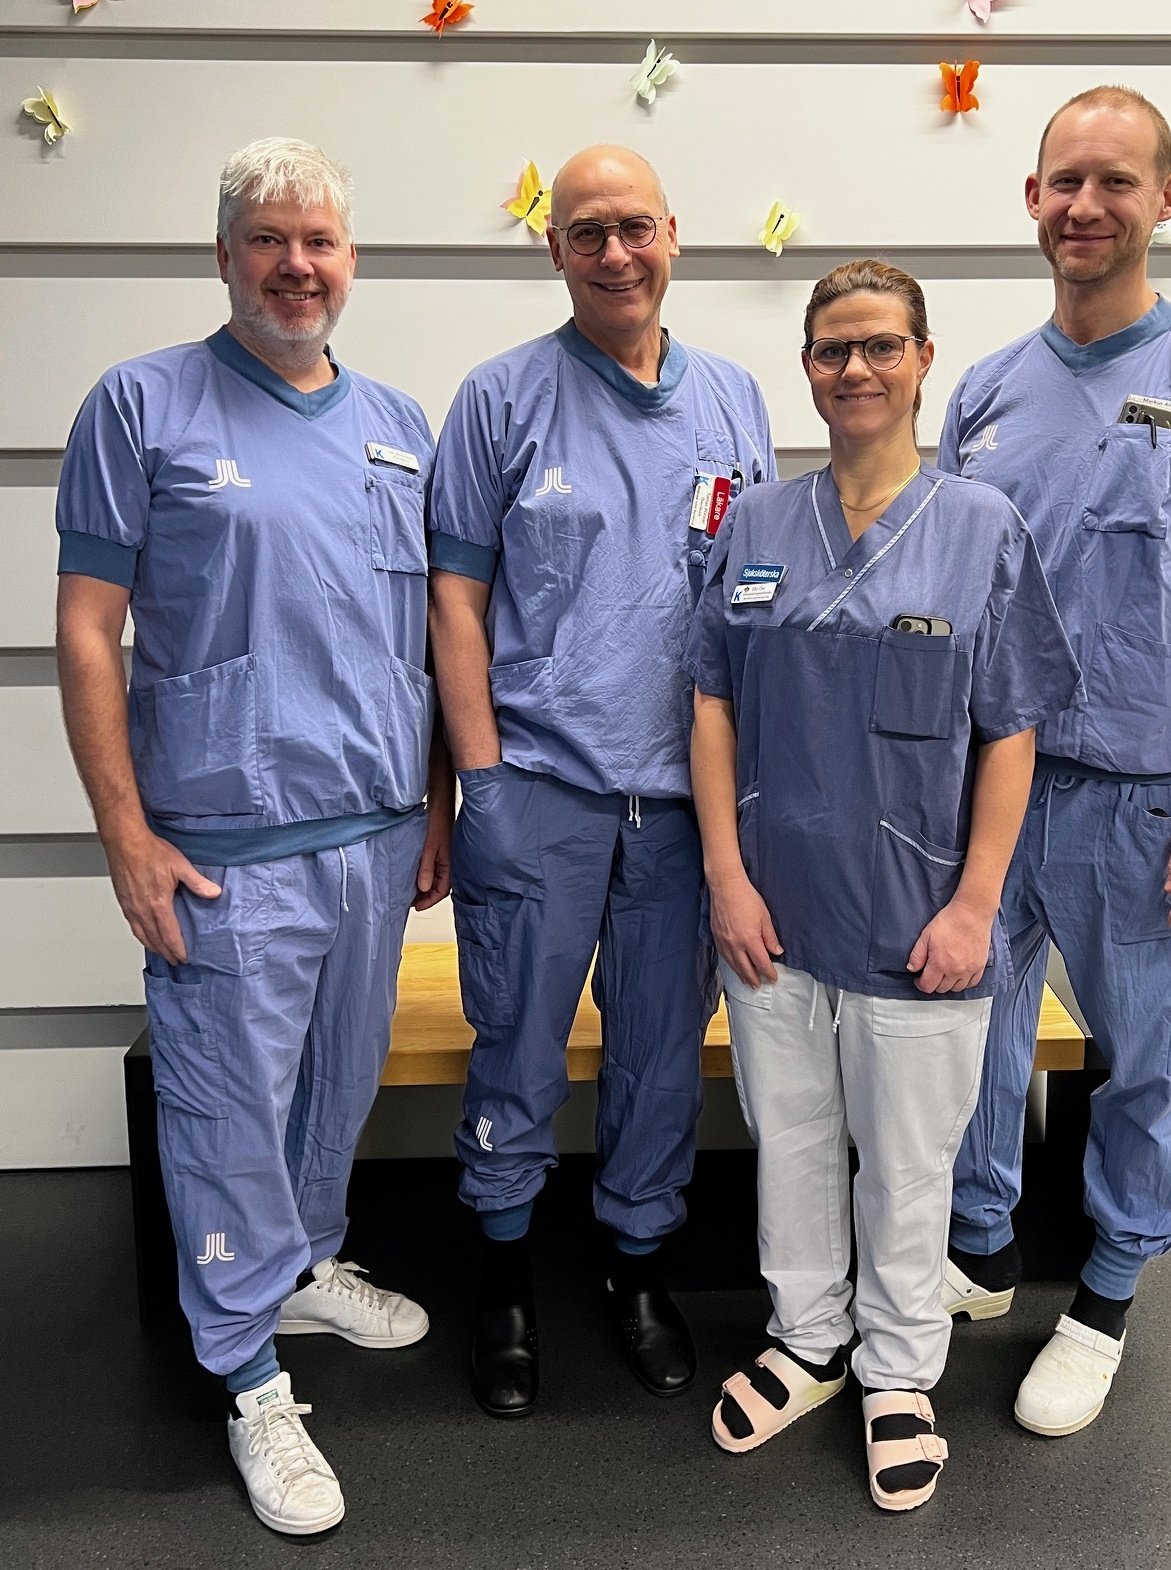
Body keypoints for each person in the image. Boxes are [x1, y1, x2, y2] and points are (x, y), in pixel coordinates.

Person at [55, 139, 451, 1536]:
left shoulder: (400, 421)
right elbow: (89, 630)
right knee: (227, 1114)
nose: (298, 265)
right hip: (222, 837)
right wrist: (122, 832)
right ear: (224, 256)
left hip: (372, 831)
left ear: (353, 261)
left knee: (334, 1088)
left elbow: (427, 637)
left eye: (321, 242)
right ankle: (246, 1375)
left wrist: (435, 807)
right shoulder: (143, 406)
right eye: (270, 240)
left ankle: (306, 1262)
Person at [939, 87, 1171, 1437]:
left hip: (1152, 800)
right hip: (997, 788)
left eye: (1115, 182)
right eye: (1062, 183)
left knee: (1149, 1056)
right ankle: (980, 1247)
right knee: (968, 1034)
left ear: (1167, 200)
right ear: (1029, 200)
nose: (1085, 206)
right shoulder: (980, 395)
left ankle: (1104, 1292)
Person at [686, 260, 1080, 1511]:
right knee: (791, 1140)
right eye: (830, 349)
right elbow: (710, 702)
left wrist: (976, 905)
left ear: (921, 361)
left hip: (921, 918)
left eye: (878, 347)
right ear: (807, 368)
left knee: (909, 1162)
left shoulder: (980, 528)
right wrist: (725, 878)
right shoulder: (756, 525)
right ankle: (807, 1337)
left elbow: (1010, 729)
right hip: (777, 912)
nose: (853, 369)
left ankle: (901, 1369)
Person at [428, 144, 774, 1416]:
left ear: (674, 234)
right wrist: (482, 782)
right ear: (554, 249)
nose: (616, 252)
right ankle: (506, 1281)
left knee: (658, 1057)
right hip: (542, 785)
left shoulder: (734, 399)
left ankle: (636, 1266)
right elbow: (454, 601)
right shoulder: (499, 400)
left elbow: (752, 603)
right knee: (515, 1045)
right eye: (588, 233)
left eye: (635, 227)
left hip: (684, 806)